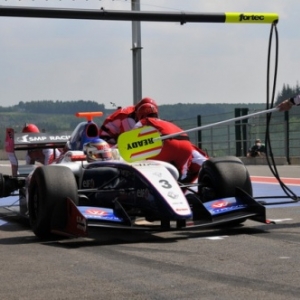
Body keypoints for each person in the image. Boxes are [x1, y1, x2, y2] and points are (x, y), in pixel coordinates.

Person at [134, 103, 208, 183]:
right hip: (186, 145)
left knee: (142, 160)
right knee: (181, 178)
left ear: (140, 115)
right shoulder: (169, 123)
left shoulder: (144, 121)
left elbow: (131, 140)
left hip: (167, 144)